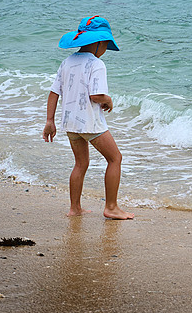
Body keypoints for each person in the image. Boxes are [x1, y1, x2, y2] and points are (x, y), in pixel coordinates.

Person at [42, 15, 134, 220]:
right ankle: (111, 207)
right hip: (90, 123)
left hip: (71, 124)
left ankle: (75, 208)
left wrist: (50, 121)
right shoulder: (96, 64)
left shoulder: (67, 62)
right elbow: (96, 95)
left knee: (80, 164)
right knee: (115, 158)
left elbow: (53, 92)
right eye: (105, 45)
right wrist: (108, 100)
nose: (105, 50)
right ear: (99, 43)